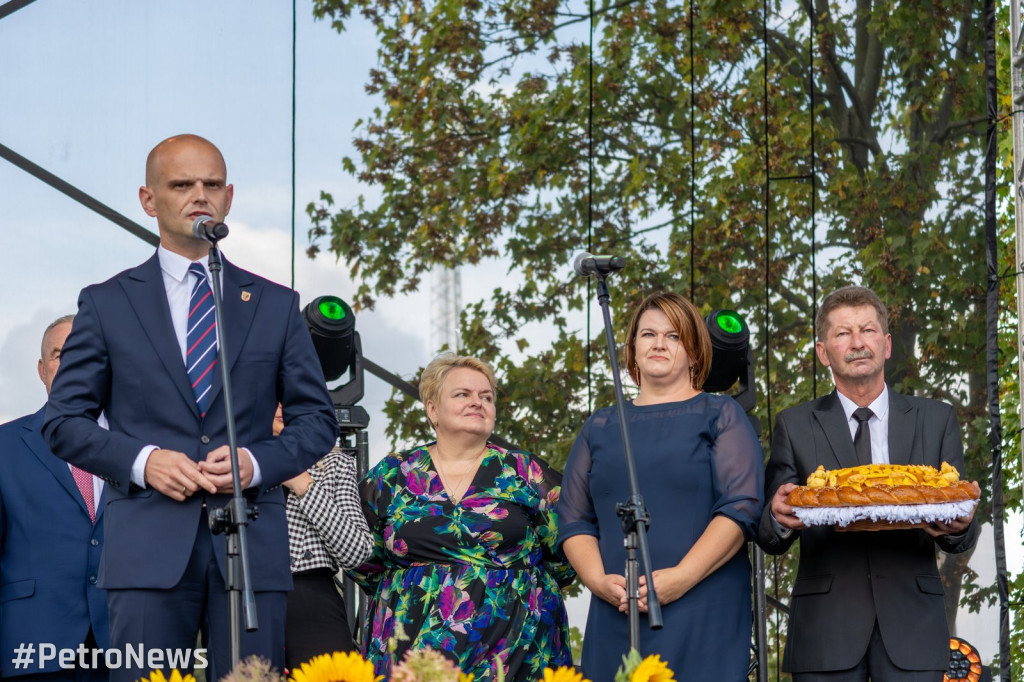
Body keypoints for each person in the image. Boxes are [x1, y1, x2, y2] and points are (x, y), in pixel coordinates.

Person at [43, 134, 338, 682]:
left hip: (250, 551)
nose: (199, 195)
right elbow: (62, 423)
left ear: (228, 199)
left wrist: (254, 463)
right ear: (149, 199)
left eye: (211, 185)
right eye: (182, 185)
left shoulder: (276, 305)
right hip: (146, 553)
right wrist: (143, 460)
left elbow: (317, 420)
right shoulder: (107, 303)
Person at [756, 285, 981, 681]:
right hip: (825, 633)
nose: (857, 343)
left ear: (887, 344)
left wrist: (962, 525)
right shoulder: (793, 425)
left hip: (914, 630)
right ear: (823, 352)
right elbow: (770, 536)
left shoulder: (937, 419)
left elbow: (958, 527)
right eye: (843, 333)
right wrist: (776, 517)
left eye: (868, 330)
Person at [559, 291, 764, 681]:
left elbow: (741, 508)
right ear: (632, 350)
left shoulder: (720, 414)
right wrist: (598, 582)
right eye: (648, 334)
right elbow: (573, 518)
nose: (658, 344)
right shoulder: (600, 426)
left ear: (694, 351)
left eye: (673, 336)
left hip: (702, 606)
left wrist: (682, 576)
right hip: (615, 608)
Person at [349, 353, 575, 680]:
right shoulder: (393, 473)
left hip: (514, 648)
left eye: (486, 397)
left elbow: (567, 550)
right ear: (432, 409)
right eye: (462, 394)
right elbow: (358, 553)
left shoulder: (526, 472)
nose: (477, 402)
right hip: (412, 645)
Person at [0, 316, 108, 682]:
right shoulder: (4, 447)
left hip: (125, 650)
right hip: (31, 649)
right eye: (62, 354)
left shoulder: (143, 450)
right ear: (42, 370)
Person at [276, 405, 373, 669]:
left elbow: (357, 552)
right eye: (274, 395)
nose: (281, 406)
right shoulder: (233, 460)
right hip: (244, 593)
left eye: (289, 397)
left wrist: (302, 482)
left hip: (311, 596)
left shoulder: (334, 462)